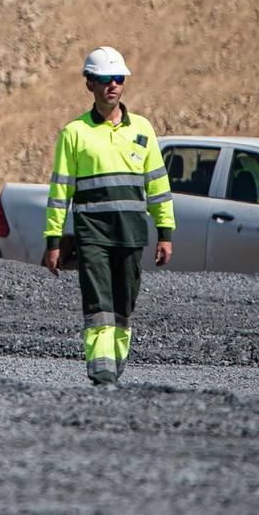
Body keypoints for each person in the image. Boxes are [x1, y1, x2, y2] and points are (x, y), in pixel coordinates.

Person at [41, 46, 175, 386]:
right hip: (92, 236)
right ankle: (101, 372)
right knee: (99, 304)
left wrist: (165, 232)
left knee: (123, 307)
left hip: (131, 235)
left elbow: (158, 186)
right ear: (90, 84)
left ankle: (115, 365)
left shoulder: (142, 130)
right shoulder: (75, 133)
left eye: (118, 79)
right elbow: (60, 193)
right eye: (104, 80)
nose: (112, 86)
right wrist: (53, 242)